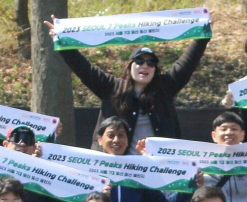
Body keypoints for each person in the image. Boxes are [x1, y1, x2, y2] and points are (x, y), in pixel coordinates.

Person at [52, 27, 209, 150]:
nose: (145, 66)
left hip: (159, 169)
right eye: (139, 61)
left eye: (151, 63)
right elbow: (83, 68)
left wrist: (203, 33)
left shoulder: (165, 87)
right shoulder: (111, 87)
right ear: (130, 66)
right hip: (118, 169)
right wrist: (62, 40)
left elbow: (187, 63)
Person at [92, 120, 189, 202]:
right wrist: (96, 197)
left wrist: (188, 186)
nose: (116, 140)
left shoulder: (137, 174)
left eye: (121, 135)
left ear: (127, 141)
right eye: (111, 135)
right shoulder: (87, 171)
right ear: (100, 140)